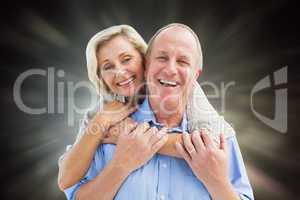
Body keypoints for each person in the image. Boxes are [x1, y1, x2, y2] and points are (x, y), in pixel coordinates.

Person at [62, 23, 254, 200]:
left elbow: (210, 144)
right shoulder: (103, 124)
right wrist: (120, 163)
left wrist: (217, 182)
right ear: (148, 64)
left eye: (183, 61)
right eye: (162, 57)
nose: (170, 69)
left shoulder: (215, 130)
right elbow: (67, 181)